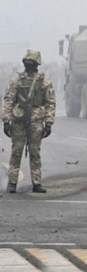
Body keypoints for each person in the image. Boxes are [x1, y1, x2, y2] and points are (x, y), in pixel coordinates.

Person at [2, 50, 56, 193]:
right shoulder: (17, 80)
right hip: (19, 121)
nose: (29, 65)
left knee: (35, 153)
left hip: (36, 122)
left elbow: (50, 102)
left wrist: (49, 123)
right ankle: (12, 183)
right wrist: (6, 120)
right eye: (27, 62)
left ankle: (36, 182)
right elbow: (9, 100)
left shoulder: (44, 81)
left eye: (31, 62)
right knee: (16, 152)